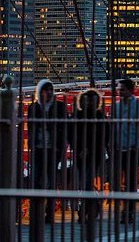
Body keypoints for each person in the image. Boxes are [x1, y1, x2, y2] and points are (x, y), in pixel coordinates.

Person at [27, 79, 68, 226]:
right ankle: (36, 212)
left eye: (51, 89)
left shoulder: (60, 107)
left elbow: (65, 127)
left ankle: (49, 213)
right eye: (46, 89)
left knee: (51, 180)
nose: (49, 92)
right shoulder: (34, 107)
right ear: (40, 91)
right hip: (38, 147)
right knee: (36, 180)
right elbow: (31, 126)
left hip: (53, 148)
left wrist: (62, 145)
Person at [71, 88, 108, 225]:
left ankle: (84, 211)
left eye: (92, 102)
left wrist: (86, 148)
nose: (90, 104)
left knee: (85, 182)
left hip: (93, 154)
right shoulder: (80, 116)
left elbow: (103, 136)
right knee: (85, 181)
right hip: (82, 154)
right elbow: (72, 134)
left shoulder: (99, 116)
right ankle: (94, 205)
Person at [113, 78, 139, 224]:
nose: (120, 92)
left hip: (132, 149)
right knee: (120, 181)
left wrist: (138, 144)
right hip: (118, 148)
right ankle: (125, 209)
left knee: (130, 181)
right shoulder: (116, 107)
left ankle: (128, 210)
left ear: (130, 90)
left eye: (122, 89)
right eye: (119, 89)